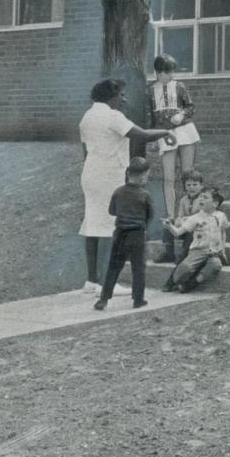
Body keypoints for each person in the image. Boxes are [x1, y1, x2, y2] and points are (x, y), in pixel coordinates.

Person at [77, 78, 176, 296]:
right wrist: (165, 132)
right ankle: (105, 283)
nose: (124, 98)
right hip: (107, 174)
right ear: (110, 96)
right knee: (108, 226)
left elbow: (86, 150)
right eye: (121, 94)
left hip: (90, 173)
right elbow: (140, 134)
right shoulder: (112, 116)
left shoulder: (87, 116)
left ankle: (92, 280)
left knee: (92, 223)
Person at [95, 158, 154, 310]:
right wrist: (143, 225)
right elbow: (150, 214)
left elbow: (111, 211)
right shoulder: (145, 195)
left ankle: (104, 299)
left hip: (120, 233)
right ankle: (138, 299)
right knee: (138, 267)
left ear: (128, 174)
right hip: (137, 234)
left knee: (114, 266)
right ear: (142, 177)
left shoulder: (118, 192)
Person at [148, 54, 199, 228]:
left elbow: (190, 107)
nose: (171, 76)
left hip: (185, 132)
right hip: (165, 134)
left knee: (188, 174)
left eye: (172, 72)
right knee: (168, 178)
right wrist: (153, 137)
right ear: (158, 72)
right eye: (167, 72)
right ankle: (170, 214)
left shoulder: (179, 87)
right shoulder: (150, 90)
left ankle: (190, 213)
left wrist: (181, 114)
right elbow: (150, 118)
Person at [162, 187, 228, 293]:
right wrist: (169, 226)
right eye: (200, 197)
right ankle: (175, 281)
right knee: (185, 269)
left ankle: (192, 283)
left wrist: (223, 250)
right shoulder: (195, 218)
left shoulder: (221, 216)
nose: (201, 199)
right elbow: (178, 232)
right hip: (198, 251)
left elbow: (223, 233)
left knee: (215, 265)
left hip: (214, 252)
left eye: (205, 197)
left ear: (215, 204)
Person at [163, 171, 207, 263]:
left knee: (191, 229)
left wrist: (187, 220)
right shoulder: (184, 199)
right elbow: (180, 215)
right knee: (168, 224)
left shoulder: (203, 199)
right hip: (184, 226)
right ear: (185, 186)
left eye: (195, 185)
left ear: (201, 186)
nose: (191, 187)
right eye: (188, 185)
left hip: (197, 228)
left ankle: (184, 254)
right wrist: (178, 219)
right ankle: (169, 253)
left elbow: (202, 215)